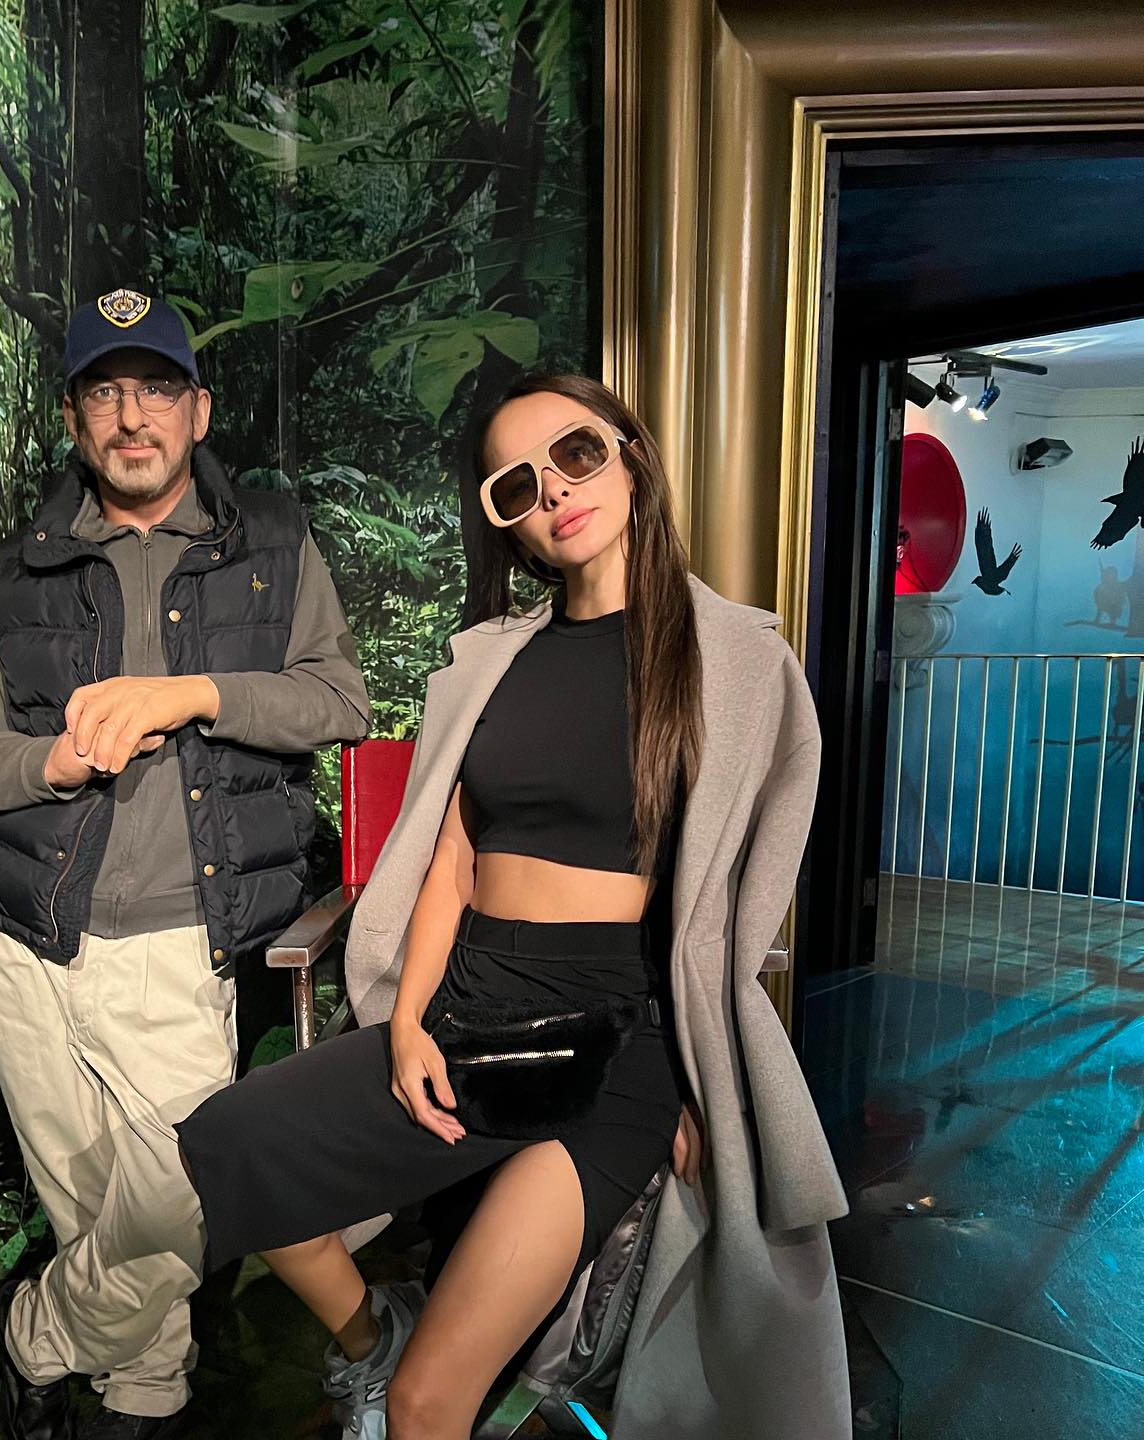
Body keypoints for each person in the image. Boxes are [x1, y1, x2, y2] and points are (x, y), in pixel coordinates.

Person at [172, 373, 852, 1440]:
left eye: (577, 454)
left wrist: (701, 1078)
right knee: (229, 1144)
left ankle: (398, 1373)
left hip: (618, 1044)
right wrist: (407, 1023)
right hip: (469, 1006)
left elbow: (731, 908)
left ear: (631, 457)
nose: (556, 492)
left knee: (428, 1406)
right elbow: (451, 861)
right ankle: (368, 1340)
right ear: (508, 526)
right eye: (517, 486)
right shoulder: (493, 662)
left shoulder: (734, 659)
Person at [0, 288, 370, 1440]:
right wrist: (49, 764)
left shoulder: (272, 543)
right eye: (106, 393)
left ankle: (30, 1336)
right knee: (86, 1207)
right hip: (26, 934)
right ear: (75, 421)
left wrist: (194, 693)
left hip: (178, 939)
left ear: (197, 411)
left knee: (181, 1199)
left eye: (157, 389)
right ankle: (142, 1398)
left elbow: (340, 701)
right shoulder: (19, 569)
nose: (133, 417)